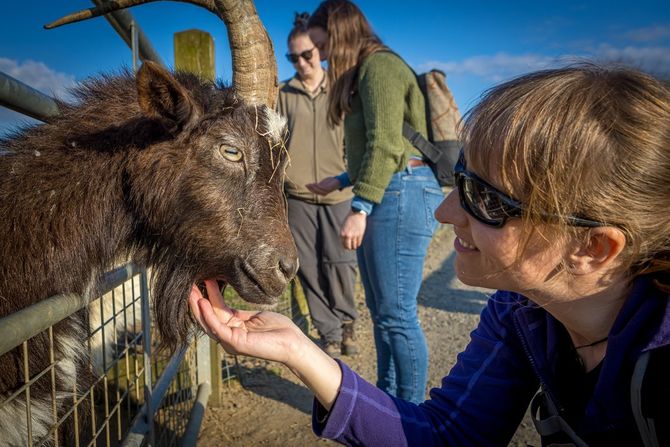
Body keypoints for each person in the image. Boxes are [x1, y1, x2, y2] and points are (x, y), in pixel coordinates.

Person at [189, 63, 670, 446]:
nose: (443, 212)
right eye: (459, 180)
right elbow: (450, 435)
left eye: (486, 200)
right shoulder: (523, 310)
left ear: (593, 247)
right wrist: (298, 349)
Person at [304, 0, 444, 404]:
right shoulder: (365, 71)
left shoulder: (379, 67)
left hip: (402, 191)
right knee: (384, 315)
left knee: (398, 315)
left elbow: (386, 145)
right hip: (393, 186)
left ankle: (412, 415)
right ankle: (389, 403)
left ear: (341, 34)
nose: (322, 56)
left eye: (323, 45)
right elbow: (385, 149)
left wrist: (359, 206)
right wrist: (343, 180)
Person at [277, 12, 358, 358]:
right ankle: (329, 333)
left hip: (339, 193)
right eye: (293, 57)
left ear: (319, 52)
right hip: (298, 197)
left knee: (340, 263)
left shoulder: (342, 89)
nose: (301, 62)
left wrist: (345, 175)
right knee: (308, 267)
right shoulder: (281, 94)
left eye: (307, 54)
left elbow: (354, 142)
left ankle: (347, 321)